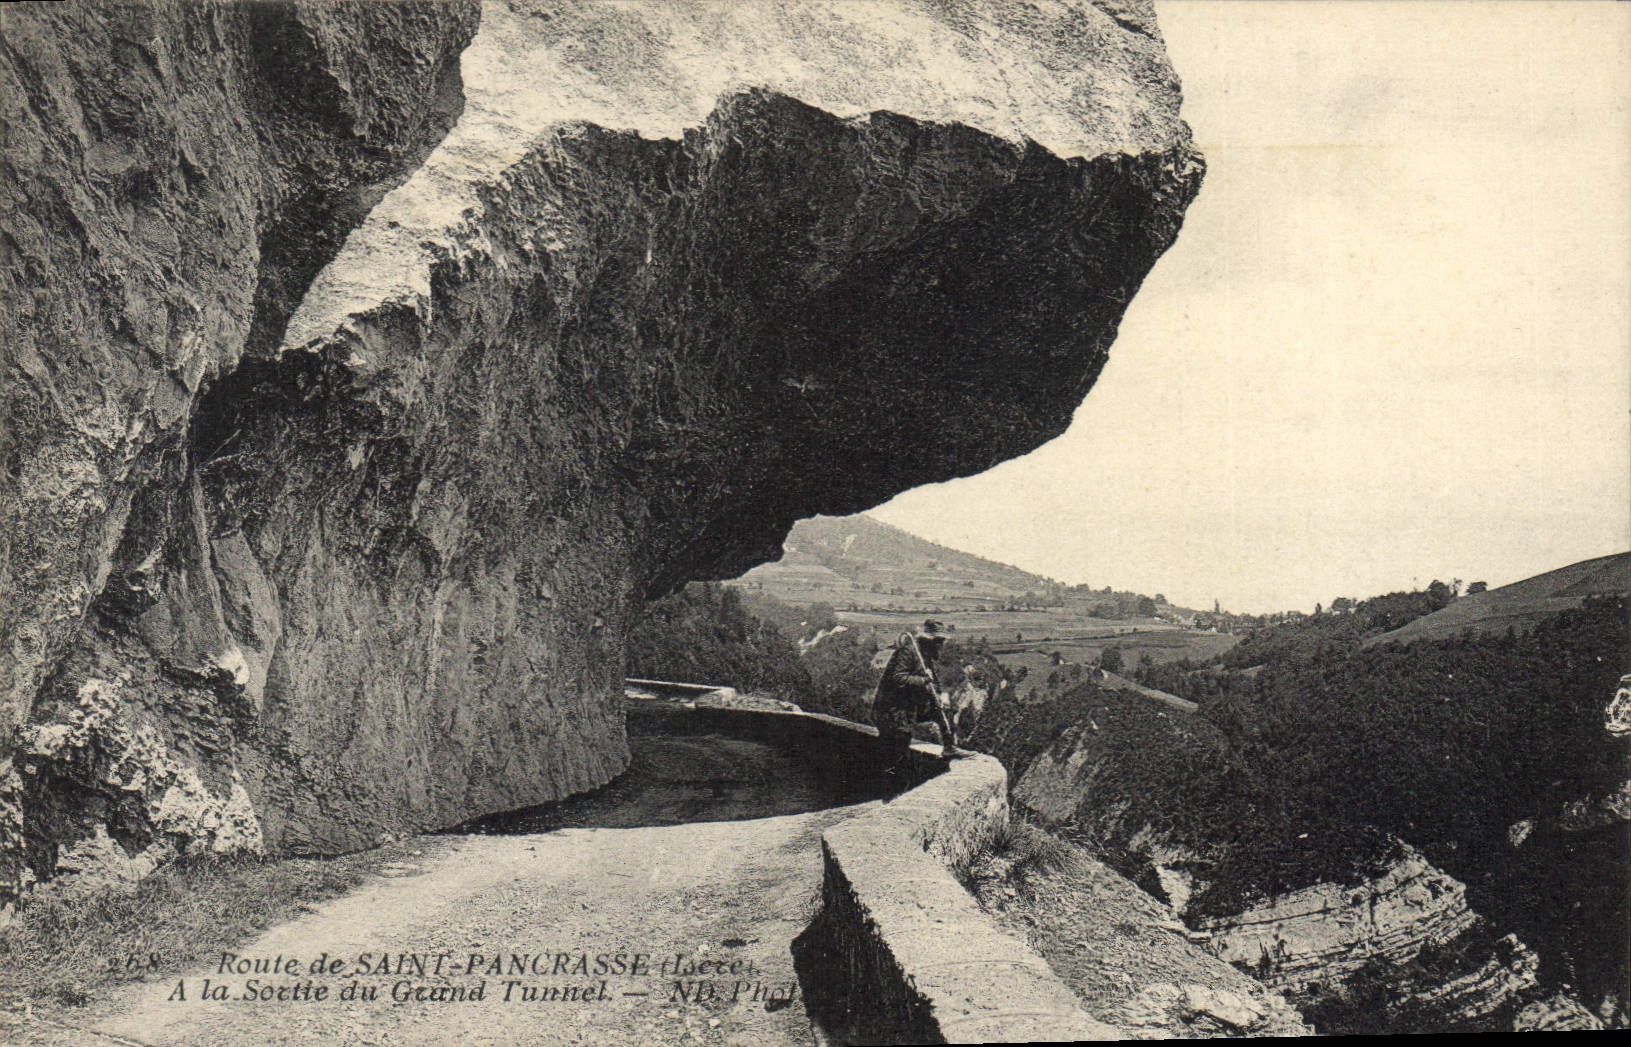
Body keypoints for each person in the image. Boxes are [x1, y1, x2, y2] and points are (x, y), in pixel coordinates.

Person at [872, 619, 959, 774]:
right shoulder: (909, 651)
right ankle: (888, 778)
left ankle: (949, 748)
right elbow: (898, 678)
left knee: (945, 711)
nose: (941, 645)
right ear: (928, 640)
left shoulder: (924, 655)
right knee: (899, 742)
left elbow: (934, 679)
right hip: (893, 708)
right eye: (938, 641)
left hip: (910, 705)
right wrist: (924, 680)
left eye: (942, 641)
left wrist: (941, 695)